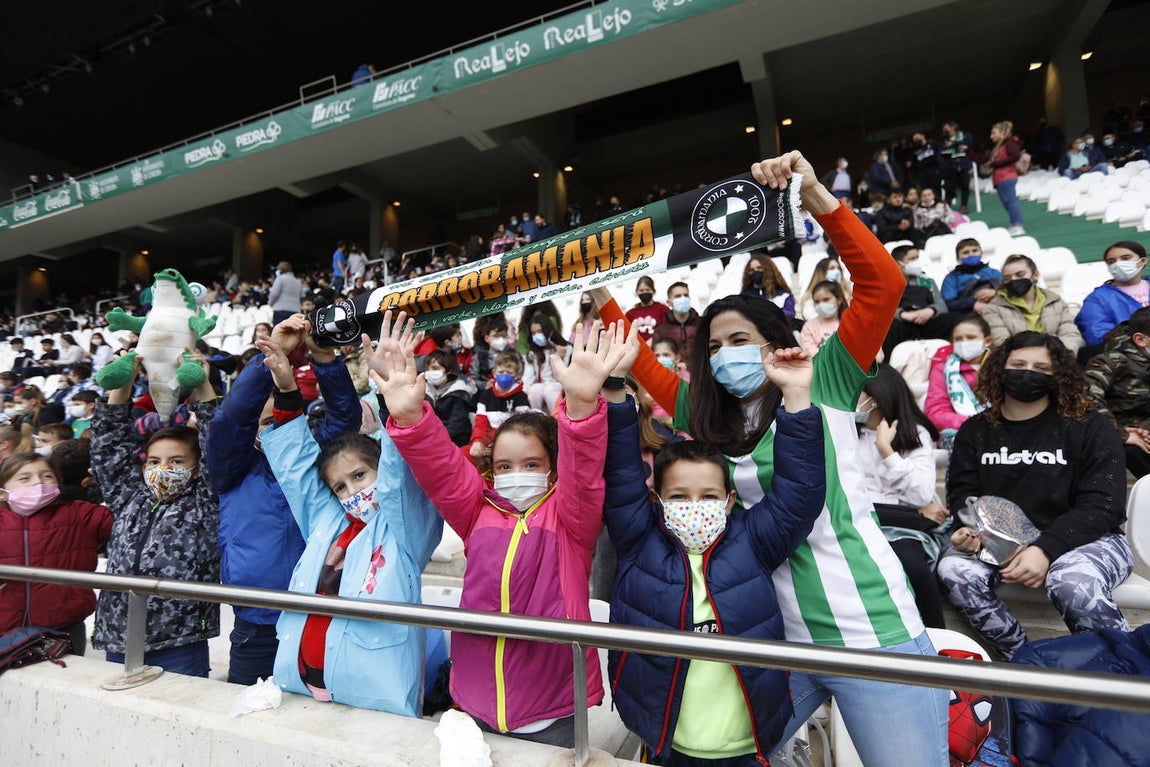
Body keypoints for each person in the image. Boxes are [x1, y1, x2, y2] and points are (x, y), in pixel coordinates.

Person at [593, 151, 948, 765]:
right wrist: (588, 281)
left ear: (775, 345)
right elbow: (637, 359)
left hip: (871, 633)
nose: (726, 355)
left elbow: (883, 285)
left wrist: (815, 194)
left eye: (740, 341)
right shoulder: (703, 412)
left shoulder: (828, 376)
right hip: (766, 640)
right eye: (715, 346)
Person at [383, 318, 633, 748]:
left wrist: (578, 406)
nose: (516, 474)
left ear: (553, 467)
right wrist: (409, 415)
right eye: (504, 466)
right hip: (473, 705)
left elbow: (585, 467)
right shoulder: (476, 511)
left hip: (552, 713)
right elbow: (442, 468)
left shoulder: (571, 519)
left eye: (531, 465)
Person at [602, 341, 828, 765]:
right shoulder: (639, 539)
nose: (694, 505)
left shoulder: (753, 540)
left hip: (748, 742)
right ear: (658, 499)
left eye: (708, 495)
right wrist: (616, 388)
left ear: (727, 500)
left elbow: (800, 494)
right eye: (680, 495)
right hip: (666, 740)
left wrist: (797, 398)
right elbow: (620, 473)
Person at [258, 312, 443, 714]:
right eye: (340, 485)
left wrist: (391, 397)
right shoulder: (328, 523)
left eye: (360, 475)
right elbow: (297, 471)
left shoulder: (404, 530)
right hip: (302, 684)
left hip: (373, 696)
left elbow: (402, 477)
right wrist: (287, 387)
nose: (353, 490)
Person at [938, 332, 1132, 660]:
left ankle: (1124, 666)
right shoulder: (975, 430)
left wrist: (1044, 549)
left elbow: (1104, 505)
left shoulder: (1090, 426)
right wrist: (972, 534)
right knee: (954, 570)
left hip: (1089, 540)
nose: (1029, 372)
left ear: (1059, 376)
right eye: (1019, 364)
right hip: (1003, 544)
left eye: (1042, 367)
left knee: (1070, 579)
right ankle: (1025, 662)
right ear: (999, 369)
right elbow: (963, 495)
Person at [201, 315, 360, 686]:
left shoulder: (314, 462)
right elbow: (230, 420)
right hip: (256, 626)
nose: (270, 431)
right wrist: (271, 356)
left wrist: (325, 361)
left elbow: (344, 419)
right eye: (262, 423)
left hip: (317, 617)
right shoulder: (231, 470)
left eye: (280, 424)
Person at [90, 353, 221, 676]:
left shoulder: (205, 499)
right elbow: (108, 445)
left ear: (195, 468)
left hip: (181, 638)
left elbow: (217, 442)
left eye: (177, 461)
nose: (163, 468)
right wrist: (122, 384)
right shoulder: (127, 496)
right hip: (119, 633)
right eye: (154, 461)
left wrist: (202, 385)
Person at [855, 366, 949, 629]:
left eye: (857, 393)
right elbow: (853, 493)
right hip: (863, 520)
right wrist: (915, 513)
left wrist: (887, 451)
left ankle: (936, 635)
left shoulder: (916, 434)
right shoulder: (849, 433)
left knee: (912, 564)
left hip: (903, 529)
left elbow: (920, 493)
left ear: (876, 397)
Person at [0, 452, 112, 655]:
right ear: (2, 492)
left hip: (64, 627)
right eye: (25, 478)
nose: (38, 483)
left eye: (47, 476)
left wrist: (111, 481)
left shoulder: (80, 514)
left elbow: (125, 521)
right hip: (4, 630)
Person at [1084, 306, 1150, 478]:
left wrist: (1145, 428)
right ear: (1141, 340)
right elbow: (1087, 396)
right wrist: (1122, 434)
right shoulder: (1111, 361)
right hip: (1117, 431)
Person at [981, 254, 1083, 352]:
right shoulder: (993, 309)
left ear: (1035, 275)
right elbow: (1002, 342)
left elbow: (1070, 335)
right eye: (1007, 278)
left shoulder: (1056, 302)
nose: (1014, 280)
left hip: (1058, 357)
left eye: (1020, 274)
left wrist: (1059, 354)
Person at [924, 315, 993, 443]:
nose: (964, 343)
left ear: (987, 341)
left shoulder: (999, 366)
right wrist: (973, 423)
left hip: (998, 429)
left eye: (971, 337)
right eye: (958, 339)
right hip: (958, 433)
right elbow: (936, 411)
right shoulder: (942, 369)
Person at [883, 244, 958, 359]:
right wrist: (902, 314)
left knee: (954, 319)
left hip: (926, 320)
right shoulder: (886, 284)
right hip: (902, 322)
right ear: (898, 263)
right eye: (912, 259)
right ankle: (886, 366)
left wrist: (931, 310)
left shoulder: (928, 281)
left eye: (917, 258)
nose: (916, 262)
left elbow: (941, 304)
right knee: (888, 327)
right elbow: (882, 308)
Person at [1075, 241, 1149, 350]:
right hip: (1132, 356)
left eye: (1125, 258)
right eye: (1111, 261)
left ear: (1142, 261)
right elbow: (1097, 336)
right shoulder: (1097, 299)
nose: (1118, 264)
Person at [467, 350, 531, 473]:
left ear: (517, 375)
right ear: (494, 373)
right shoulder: (486, 395)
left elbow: (523, 426)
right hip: (488, 439)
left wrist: (499, 444)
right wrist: (477, 442)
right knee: (464, 454)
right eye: (501, 372)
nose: (504, 375)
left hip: (511, 440)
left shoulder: (521, 397)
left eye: (509, 372)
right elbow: (481, 423)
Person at [976, 121, 1025, 236]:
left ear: (1002, 133)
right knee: (1007, 202)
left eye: (994, 133)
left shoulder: (1010, 142)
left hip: (1007, 176)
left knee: (1011, 200)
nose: (991, 136)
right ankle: (1015, 224)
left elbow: (1015, 156)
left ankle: (1018, 225)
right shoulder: (999, 146)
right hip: (999, 178)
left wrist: (995, 164)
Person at [522, 313, 568, 414]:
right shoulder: (532, 354)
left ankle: (557, 418)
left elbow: (567, 376)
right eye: (533, 333)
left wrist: (561, 358)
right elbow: (528, 376)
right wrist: (524, 390)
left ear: (548, 330)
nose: (536, 336)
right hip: (541, 385)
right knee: (534, 390)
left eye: (539, 331)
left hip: (559, 385)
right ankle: (537, 419)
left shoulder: (565, 348)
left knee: (550, 389)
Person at [941, 238, 1001, 314]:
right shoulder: (951, 278)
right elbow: (949, 304)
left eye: (975, 251)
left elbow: (1009, 292)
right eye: (965, 252)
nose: (971, 254)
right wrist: (972, 304)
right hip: (969, 314)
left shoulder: (994, 273)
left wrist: (995, 293)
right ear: (958, 258)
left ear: (981, 253)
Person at [651, 282, 700, 363]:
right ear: (669, 302)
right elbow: (656, 358)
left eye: (686, 295)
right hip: (674, 374)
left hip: (700, 373)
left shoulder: (701, 324)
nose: (683, 298)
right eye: (678, 296)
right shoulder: (661, 331)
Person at [740, 254, 796, 318]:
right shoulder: (744, 297)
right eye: (752, 270)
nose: (755, 271)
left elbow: (789, 314)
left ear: (768, 270)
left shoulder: (783, 295)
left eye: (759, 268)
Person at [798, 256, 852, 321]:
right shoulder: (809, 297)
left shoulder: (848, 293)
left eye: (838, 268)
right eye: (832, 268)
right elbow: (810, 316)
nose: (837, 271)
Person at [799, 280, 845, 356]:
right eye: (817, 301)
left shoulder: (848, 321)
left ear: (839, 299)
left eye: (826, 299)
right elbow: (811, 353)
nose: (821, 304)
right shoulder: (809, 327)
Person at [941, 120, 974, 212]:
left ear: (952, 128)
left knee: (965, 185)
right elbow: (943, 150)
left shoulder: (965, 135)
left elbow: (969, 145)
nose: (944, 129)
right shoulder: (945, 139)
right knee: (949, 187)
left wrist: (954, 144)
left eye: (946, 127)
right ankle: (948, 208)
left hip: (964, 164)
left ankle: (964, 206)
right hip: (951, 165)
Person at [625, 276, 665, 342]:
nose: (645, 292)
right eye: (641, 290)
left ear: (653, 291)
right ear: (637, 292)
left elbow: (667, 330)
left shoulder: (662, 309)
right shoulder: (630, 314)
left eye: (648, 290)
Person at [268, 261, 302, 326]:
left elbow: (274, 293)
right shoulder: (297, 281)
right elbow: (302, 296)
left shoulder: (280, 278)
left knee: (278, 333)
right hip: (295, 311)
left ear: (281, 269)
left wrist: (270, 303)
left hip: (281, 311)